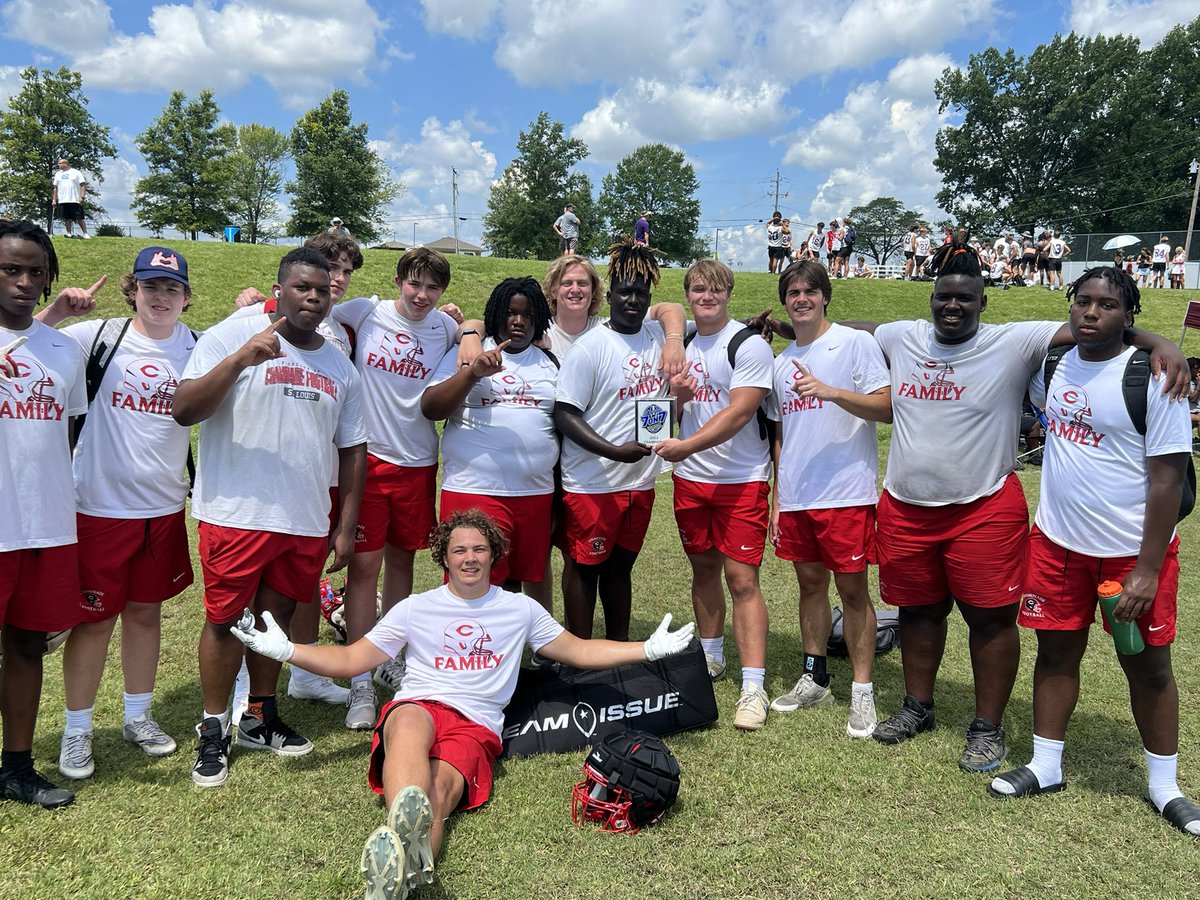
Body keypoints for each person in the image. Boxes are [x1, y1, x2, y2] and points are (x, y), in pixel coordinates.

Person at [230, 509, 696, 899]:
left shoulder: (520, 610)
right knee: (409, 724)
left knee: (441, 795)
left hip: (476, 724)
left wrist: (646, 651)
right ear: (445, 559)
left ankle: (399, 879)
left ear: (493, 555)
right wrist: (287, 651)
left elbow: (578, 651)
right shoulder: (416, 607)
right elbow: (354, 657)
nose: (470, 557)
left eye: (478, 549)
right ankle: (406, 835)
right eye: (459, 550)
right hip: (420, 704)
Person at [989, 266, 1200, 837]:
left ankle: (1165, 787)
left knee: (1149, 667)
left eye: (1107, 305)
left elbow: (1166, 479)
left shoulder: (1156, 376)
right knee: (1056, 655)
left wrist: (1147, 570)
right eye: (1082, 302)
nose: (1091, 313)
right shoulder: (1053, 366)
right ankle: (1046, 765)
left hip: (1132, 555)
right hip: (1057, 542)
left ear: (1128, 314)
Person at [172, 247, 368, 788]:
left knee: (273, 621)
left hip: (303, 516)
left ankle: (260, 715)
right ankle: (214, 727)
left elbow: (353, 449)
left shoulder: (339, 365)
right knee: (224, 619)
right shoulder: (230, 336)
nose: (313, 297)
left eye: (323, 290)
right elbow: (184, 407)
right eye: (302, 287)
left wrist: (345, 525)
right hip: (236, 511)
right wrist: (240, 359)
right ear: (277, 291)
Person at [41, 247, 198, 783]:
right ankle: (77, 728)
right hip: (100, 505)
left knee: (145, 612)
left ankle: (138, 715)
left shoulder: (196, 346)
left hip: (164, 506)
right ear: (133, 289)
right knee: (93, 621)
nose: (161, 297)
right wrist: (59, 313)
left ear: (185, 296)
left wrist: (256, 302)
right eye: (151, 286)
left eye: (171, 288)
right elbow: (19, 346)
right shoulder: (98, 337)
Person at [329, 248, 478, 731]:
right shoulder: (365, 311)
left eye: (432, 288)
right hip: (367, 459)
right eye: (414, 284)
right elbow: (311, 303)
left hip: (418, 461)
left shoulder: (444, 328)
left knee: (402, 560)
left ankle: (390, 656)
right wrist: (255, 300)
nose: (422, 295)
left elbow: (473, 329)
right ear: (398, 281)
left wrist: (470, 325)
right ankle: (359, 679)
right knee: (363, 565)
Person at [230, 232, 366, 711]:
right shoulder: (256, 317)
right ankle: (245, 689)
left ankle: (304, 672)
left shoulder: (347, 324)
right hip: (262, 477)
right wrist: (251, 300)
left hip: (320, 469)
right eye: (330, 267)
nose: (336, 279)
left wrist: (463, 319)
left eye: (345, 271)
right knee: (255, 587)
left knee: (302, 581)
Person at [766, 260, 891, 738]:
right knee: (810, 586)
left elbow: (886, 405)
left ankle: (862, 691)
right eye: (793, 291)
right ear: (785, 301)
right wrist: (780, 498)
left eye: (810, 291)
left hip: (846, 493)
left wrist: (831, 392)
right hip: (798, 496)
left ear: (825, 297)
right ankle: (815, 676)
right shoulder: (780, 364)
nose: (801, 298)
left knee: (854, 593)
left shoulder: (854, 343)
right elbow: (782, 436)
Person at [649, 259, 774, 730]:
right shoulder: (683, 345)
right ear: (689, 293)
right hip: (692, 480)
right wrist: (677, 395)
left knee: (743, 580)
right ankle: (710, 656)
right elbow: (683, 412)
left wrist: (683, 447)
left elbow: (740, 413)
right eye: (698, 289)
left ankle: (754, 686)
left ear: (729, 294)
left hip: (740, 478)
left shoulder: (747, 345)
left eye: (716, 290)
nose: (707, 297)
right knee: (703, 568)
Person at [554, 239, 688, 642]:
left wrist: (675, 340)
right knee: (584, 567)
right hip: (594, 482)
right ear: (608, 295)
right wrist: (614, 451)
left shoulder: (655, 337)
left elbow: (680, 314)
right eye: (625, 292)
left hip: (640, 483)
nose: (632, 299)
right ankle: (579, 654)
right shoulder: (591, 347)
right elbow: (565, 413)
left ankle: (616, 649)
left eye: (640, 293)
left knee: (620, 568)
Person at [0, 220, 87, 808]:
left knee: (28, 645)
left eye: (36, 271)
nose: (25, 281)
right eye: (12, 269)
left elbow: (68, 428)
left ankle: (17, 767)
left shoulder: (63, 349)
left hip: (46, 523)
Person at [421, 278, 560, 605]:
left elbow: (561, 426)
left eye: (527, 315)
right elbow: (431, 408)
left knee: (529, 574)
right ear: (495, 314)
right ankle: (474, 649)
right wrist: (471, 375)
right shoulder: (468, 353)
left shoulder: (550, 363)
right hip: (474, 489)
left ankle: (538, 651)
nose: (518, 321)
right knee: (474, 577)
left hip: (535, 493)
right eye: (510, 313)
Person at [51, 159, 90, 240]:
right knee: (66, 217)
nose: (58, 165)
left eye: (60, 163)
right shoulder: (58, 174)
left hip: (74, 199)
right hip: (63, 199)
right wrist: (54, 199)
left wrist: (82, 196)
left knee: (79, 217)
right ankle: (69, 233)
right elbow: (55, 187)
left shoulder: (76, 172)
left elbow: (82, 184)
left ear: (65, 164)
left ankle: (85, 233)